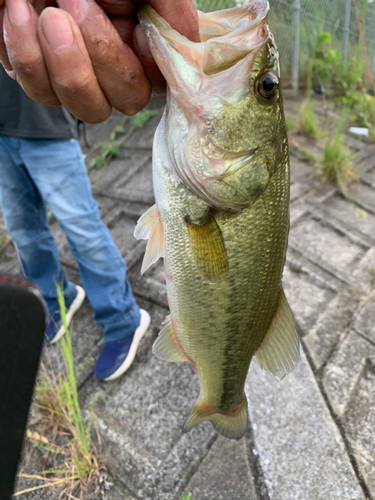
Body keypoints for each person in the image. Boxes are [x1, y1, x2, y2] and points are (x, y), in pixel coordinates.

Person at [0, 63, 150, 381]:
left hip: (46, 124)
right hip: (2, 134)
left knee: (81, 228)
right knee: (21, 228)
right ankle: (59, 297)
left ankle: (124, 320)